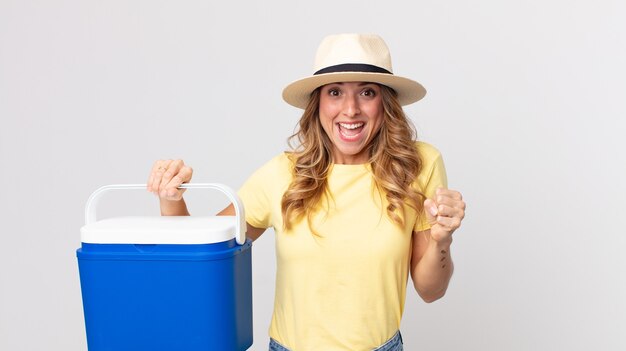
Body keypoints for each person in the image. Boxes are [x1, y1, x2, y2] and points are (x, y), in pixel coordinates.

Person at [147, 33, 466, 351]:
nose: (351, 109)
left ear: (386, 103)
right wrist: (171, 198)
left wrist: (442, 238)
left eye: (367, 92)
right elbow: (196, 260)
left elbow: (430, 290)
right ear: (318, 104)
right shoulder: (281, 175)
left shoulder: (419, 165)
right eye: (335, 92)